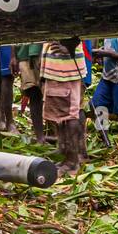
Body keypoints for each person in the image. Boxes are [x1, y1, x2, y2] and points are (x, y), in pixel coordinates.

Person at [40, 40, 87, 174]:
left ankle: (72, 161)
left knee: (69, 115)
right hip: (57, 69)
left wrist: (69, 46)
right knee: (61, 116)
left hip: (64, 70)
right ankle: (68, 156)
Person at [15, 43, 46, 143]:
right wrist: (13, 56)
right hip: (25, 54)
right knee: (33, 94)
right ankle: (40, 137)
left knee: (51, 95)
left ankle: (57, 135)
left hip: (48, 53)